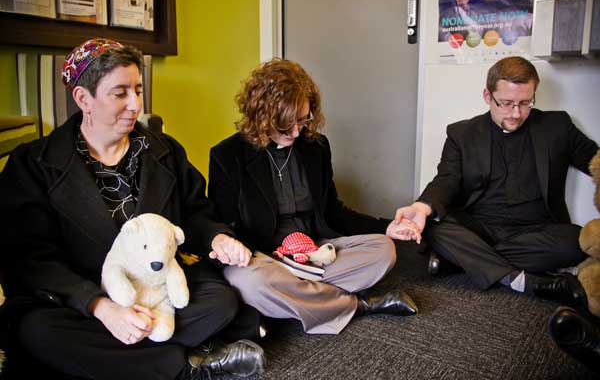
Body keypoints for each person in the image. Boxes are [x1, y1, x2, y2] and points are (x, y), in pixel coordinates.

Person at [0, 39, 266, 380]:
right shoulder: (33, 164)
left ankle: (114, 362)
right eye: (120, 93)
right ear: (84, 99)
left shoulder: (165, 151)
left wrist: (216, 238)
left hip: (155, 289)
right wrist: (102, 307)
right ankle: (186, 368)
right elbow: (30, 259)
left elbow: (195, 214)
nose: (135, 105)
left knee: (221, 301)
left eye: (138, 90)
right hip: (81, 297)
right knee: (38, 330)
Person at [207, 58, 418, 336]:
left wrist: (386, 227)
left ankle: (289, 300)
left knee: (383, 250)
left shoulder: (316, 147)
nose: (296, 132)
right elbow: (222, 224)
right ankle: (360, 304)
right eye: (285, 125)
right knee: (249, 283)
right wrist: (233, 249)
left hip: (316, 253)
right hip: (266, 258)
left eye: (302, 119)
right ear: (262, 116)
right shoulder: (227, 155)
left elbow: (334, 213)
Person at [394, 56, 598, 308]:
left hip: (535, 230)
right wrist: (421, 208)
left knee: (577, 241)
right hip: (478, 226)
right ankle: (520, 280)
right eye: (506, 103)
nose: (516, 113)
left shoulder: (558, 126)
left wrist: (469, 253)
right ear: (487, 96)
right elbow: (447, 178)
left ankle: (463, 260)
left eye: (525, 103)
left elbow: (595, 161)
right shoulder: (462, 134)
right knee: (435, 226)